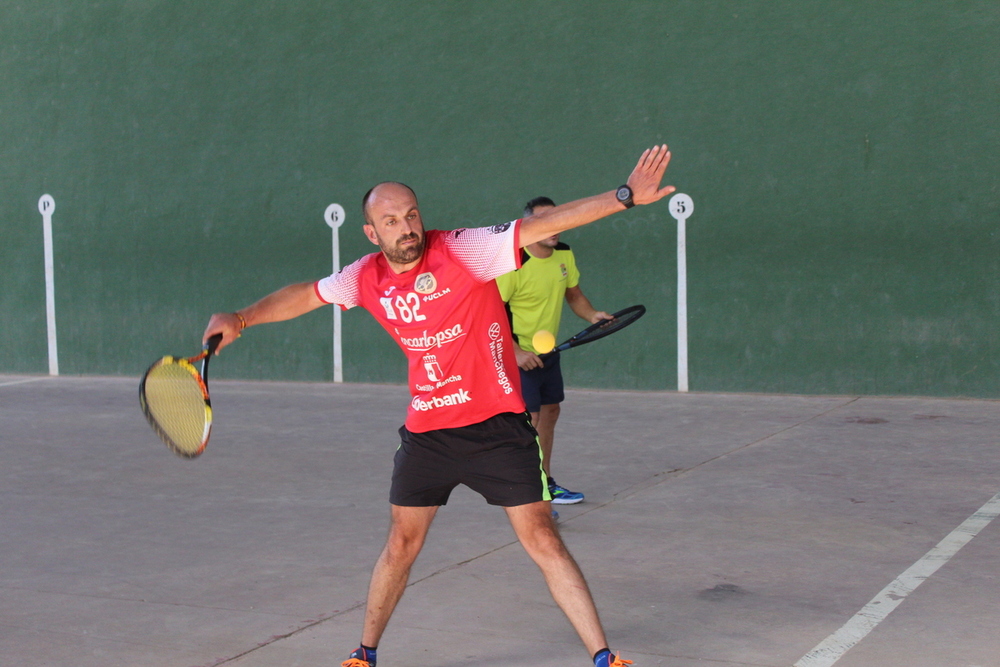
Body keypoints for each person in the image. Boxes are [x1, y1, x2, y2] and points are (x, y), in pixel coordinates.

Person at [202, 145, 674, 667]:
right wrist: (242, 318)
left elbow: (544, 226)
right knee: (401, 545)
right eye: (390, 220)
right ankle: (364, 654)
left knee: (543, 538)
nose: (405, 227)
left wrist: (625, 196)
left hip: (499, 428)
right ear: (371, 232)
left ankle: (605, 657)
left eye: (411, 215)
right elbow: (306, 295)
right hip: (429, 434)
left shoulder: (464, 250)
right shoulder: (365, 277)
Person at [496, 196, 612, 506]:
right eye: (546, 220)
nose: (555, 227)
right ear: (528, 227)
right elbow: (489, 313)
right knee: (529, 422)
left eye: (559, 219)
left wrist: (592, 316)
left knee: (550, 413)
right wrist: (516, 352)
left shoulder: (564, 255)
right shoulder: (513, 262)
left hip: (548, 353)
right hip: (517, 355)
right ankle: (529, 494)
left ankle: (545, 482)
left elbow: (574, 295)